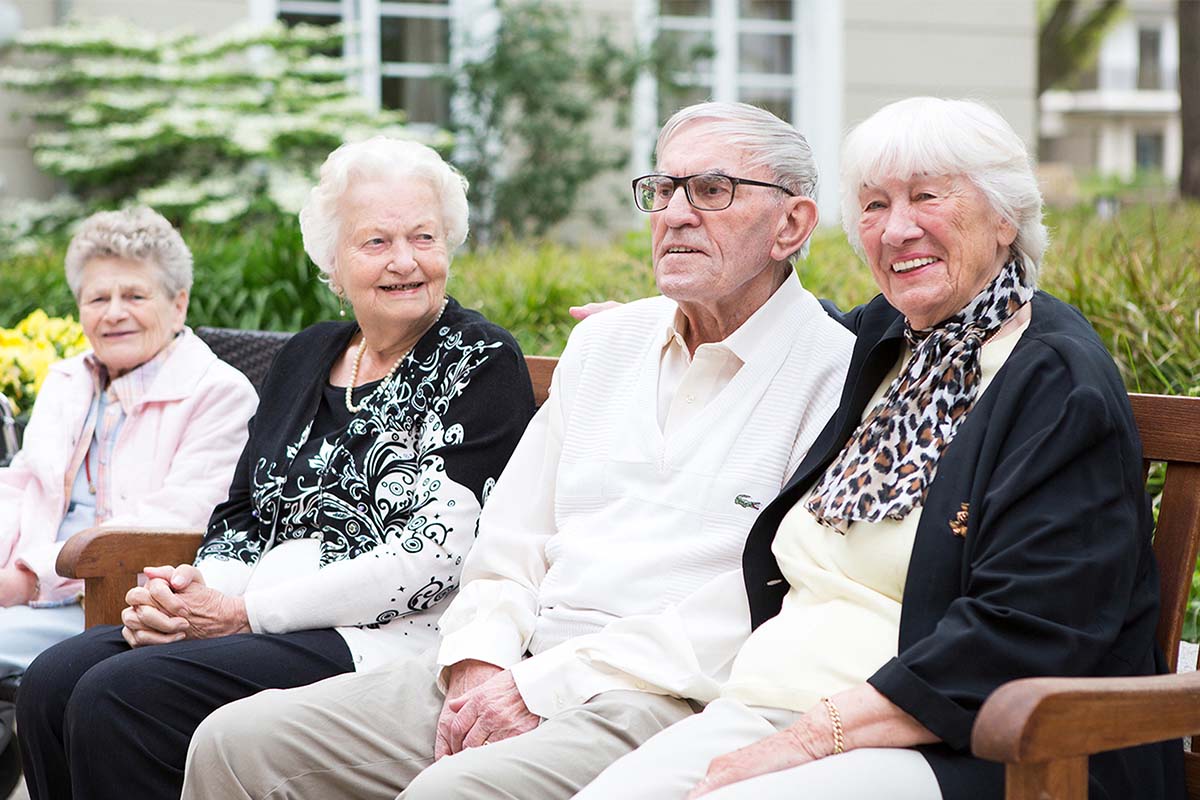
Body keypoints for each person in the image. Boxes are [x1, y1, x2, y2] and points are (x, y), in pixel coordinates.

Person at [179, 102, 856, 800]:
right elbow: (508, 544)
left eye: (712, 191)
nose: (676, 214)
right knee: (235, 744)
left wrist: (539, 684)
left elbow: (755, 603)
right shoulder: (607, 344)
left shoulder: (833, 374)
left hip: (659, 694)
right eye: (662, 190)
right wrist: (479, 656)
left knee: (451, 792)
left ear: (792, 224)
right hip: (511, 657)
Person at [552, 97, 1184, 800]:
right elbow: (776, 329)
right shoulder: (891, 342)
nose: (898, 229)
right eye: (875, 206)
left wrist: (811, 737)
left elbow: (1027, 632)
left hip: (973, 742)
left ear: (1007, 217)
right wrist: (656, 329)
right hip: (774, 701)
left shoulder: (1055, 385)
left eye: (927, 197)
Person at [17, 136, 537, 800]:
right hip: (257, 616)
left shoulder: (477, 357)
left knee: (120, 696)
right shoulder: (309, 354)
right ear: (333, 262)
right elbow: (243, 515)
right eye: (376, 243)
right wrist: (188, 601)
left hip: (380, 637)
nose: (405, 261)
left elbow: (432, 559)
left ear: (449, 247)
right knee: (53, 679)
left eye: (424, 238)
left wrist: (240, 612)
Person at [0, 206, 257, 675]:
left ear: (178, 305)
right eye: (98, 299)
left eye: (135, 295)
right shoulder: (66, 381)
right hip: (27, 596)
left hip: (119, 607)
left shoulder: (220, 394)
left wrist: (25, 578)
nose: (114, 313)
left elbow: (177, 521)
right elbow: (21, 488)